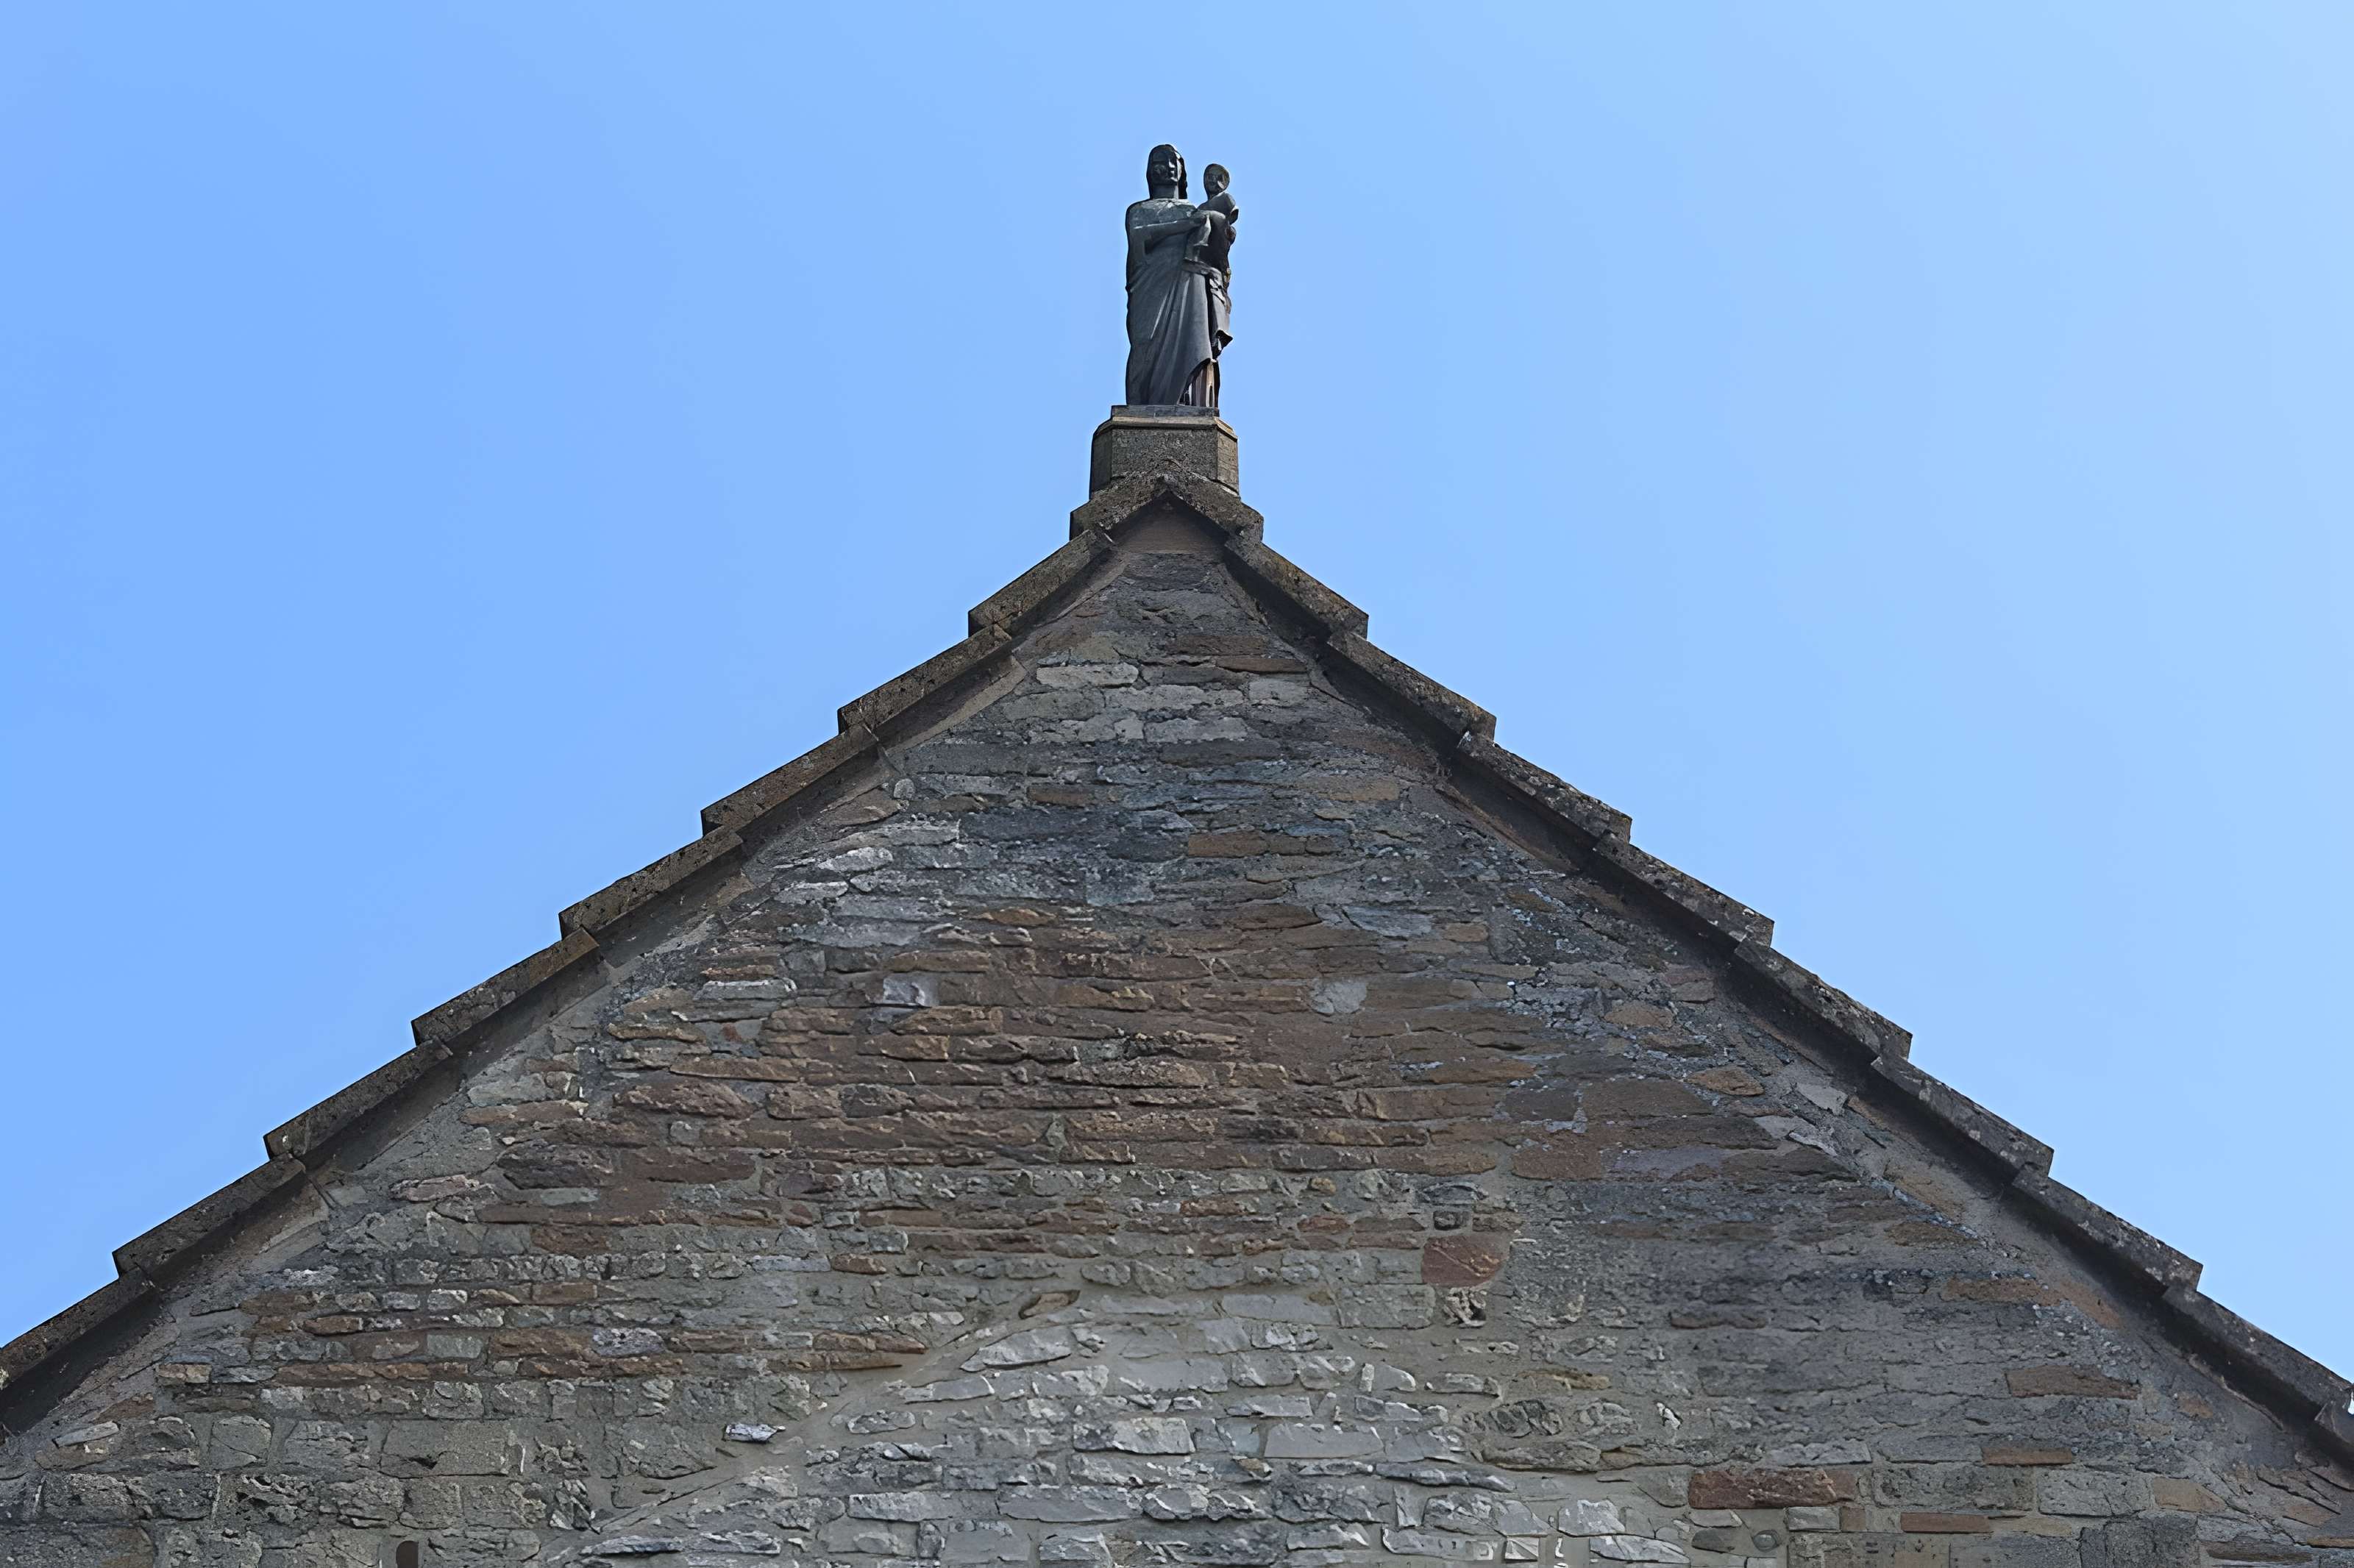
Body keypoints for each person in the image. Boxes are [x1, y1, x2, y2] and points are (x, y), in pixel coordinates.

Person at [1124, 144, 1219, 407]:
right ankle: (1139, 409)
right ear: (1149, 171)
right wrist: (1185, 226)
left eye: (1173, 161)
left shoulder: (1194, 210)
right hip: (1150, 285)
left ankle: (1182, 402)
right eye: (1159, 161)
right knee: (1145, 342)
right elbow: (1139, 236)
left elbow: (1211, 256)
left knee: (1189, 343)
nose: (1167, 167)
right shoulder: (1139, 210)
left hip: (1187, 286)